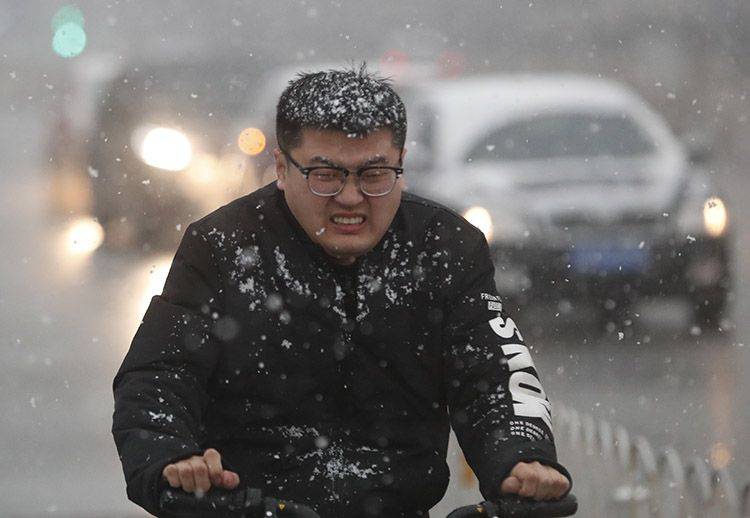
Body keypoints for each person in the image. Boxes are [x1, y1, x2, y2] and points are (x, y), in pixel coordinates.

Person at [112, 65, 571, 518]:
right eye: (325, 174)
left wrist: (520, 457)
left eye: (374, 175)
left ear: (402, 165)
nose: (350, 198)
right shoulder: (222, 247)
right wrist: (171, 460)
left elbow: (493, 376)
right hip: (252, 507)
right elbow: (158, 378)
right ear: (280, 168)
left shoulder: (446, 247)